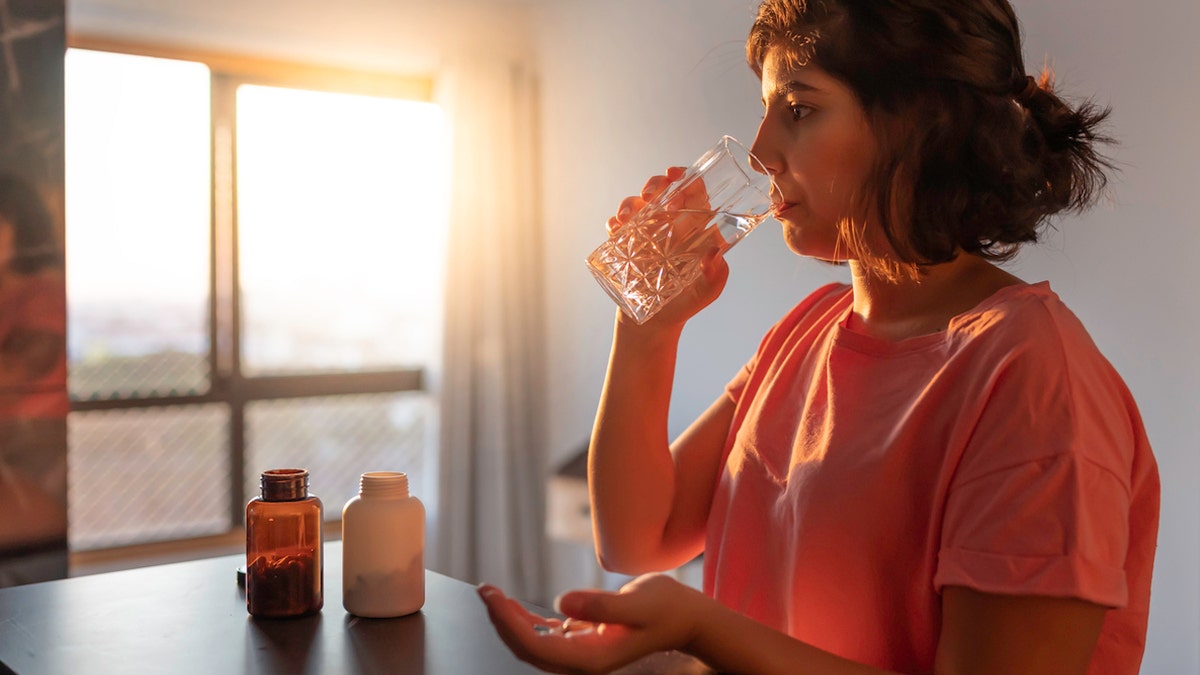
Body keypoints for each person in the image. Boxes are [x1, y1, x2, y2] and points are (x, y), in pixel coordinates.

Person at [477, 0, 1160, 673]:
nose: (760, 150)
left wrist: (705, 629)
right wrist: (645, 327)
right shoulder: (808, 330)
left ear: (920, 124)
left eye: (799, 109)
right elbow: (635, 536)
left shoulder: (1034, 377)